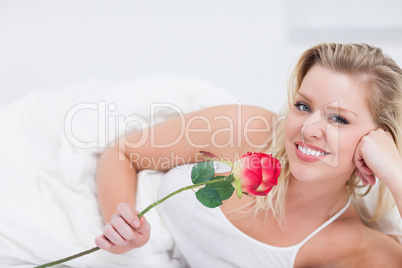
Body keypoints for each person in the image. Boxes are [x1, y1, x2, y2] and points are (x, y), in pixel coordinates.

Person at [94, 43, 402, 266]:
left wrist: (395, 172)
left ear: (379, 139)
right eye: (304, 106)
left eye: (339, 119)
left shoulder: (361, 250)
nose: (308, 129)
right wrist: (122, 227)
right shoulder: (248, 131)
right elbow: (123, 151)